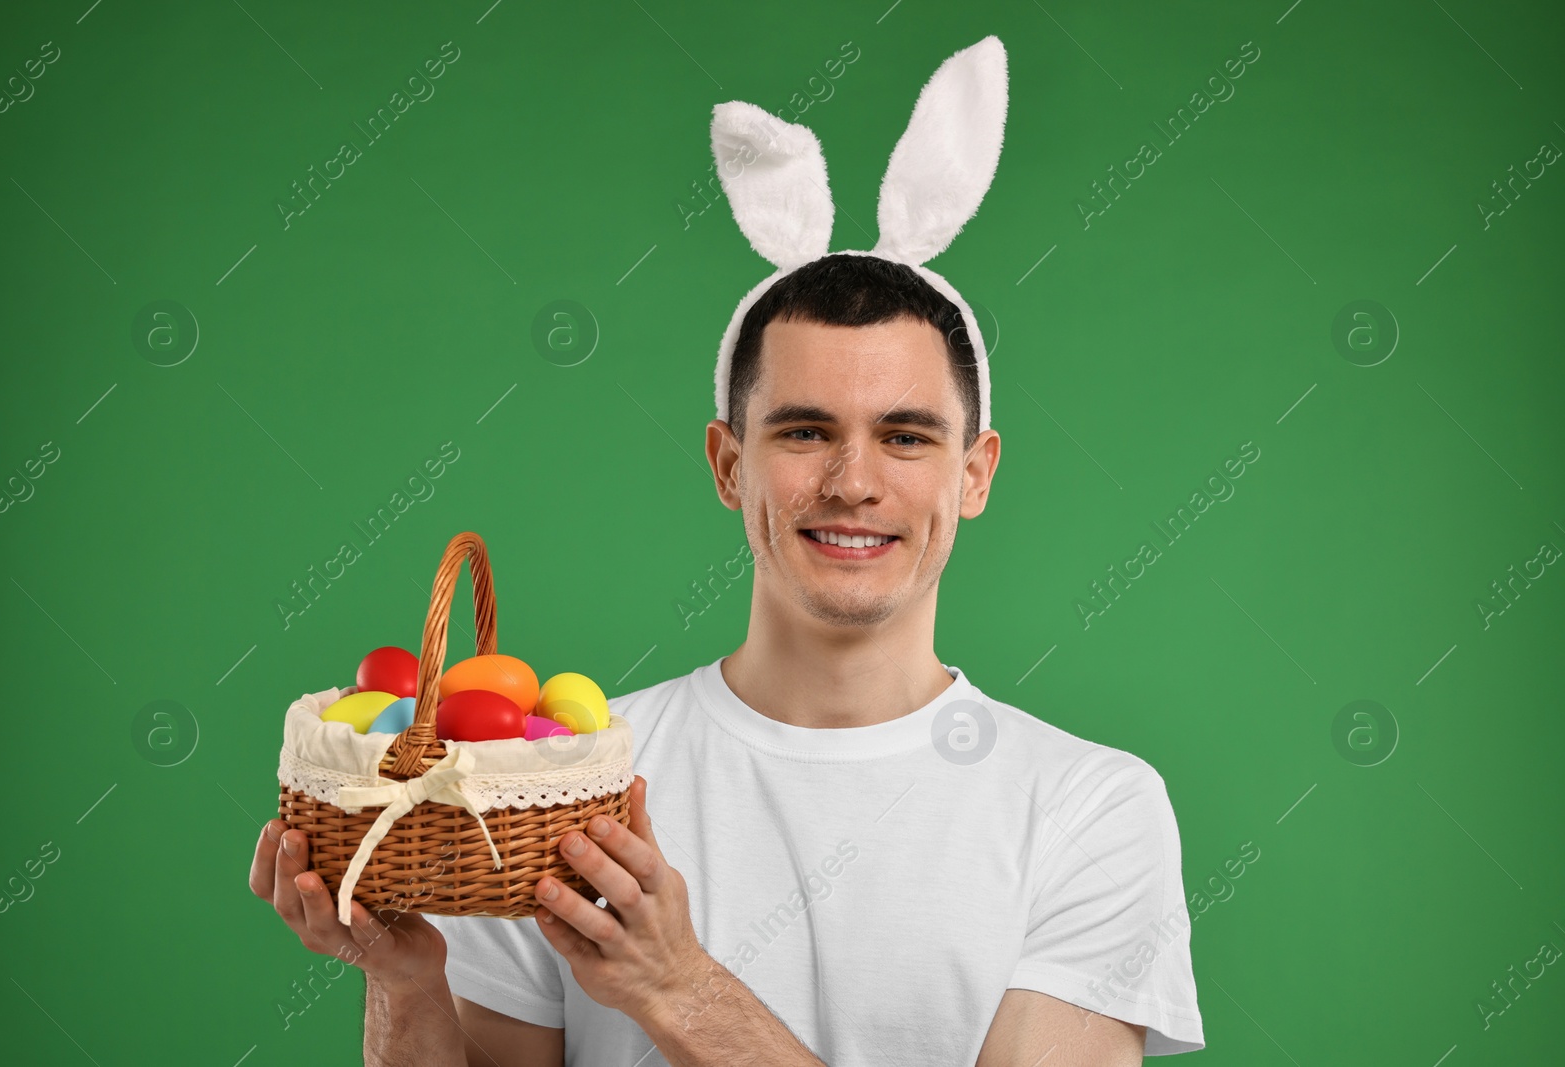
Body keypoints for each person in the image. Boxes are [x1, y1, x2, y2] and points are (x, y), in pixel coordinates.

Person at [249, 252, 1206, 1065]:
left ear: (975, 472)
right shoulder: (563, 784)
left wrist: (680, 989)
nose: (853, 482)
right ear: (728, 464)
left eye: (905, 437)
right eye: (804, 431)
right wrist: (402, 978)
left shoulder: (1091, 807)